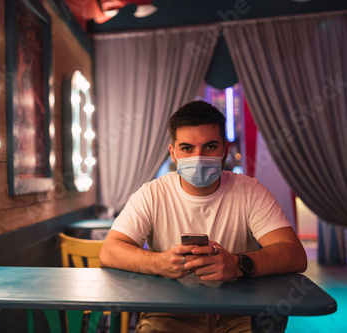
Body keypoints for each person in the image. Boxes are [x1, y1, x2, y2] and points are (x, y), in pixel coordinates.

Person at [99, 100, 307, 333]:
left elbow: (295, 254)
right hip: (168, 311)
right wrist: (158, 263)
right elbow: (109, 251)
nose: (198, 157)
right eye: (187, 148)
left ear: (225, 150)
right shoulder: (151, 194)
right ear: (173, 153)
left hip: (240, 311)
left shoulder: (250, 191)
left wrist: (238, 265)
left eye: (210, 147)